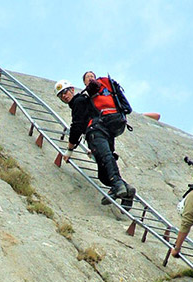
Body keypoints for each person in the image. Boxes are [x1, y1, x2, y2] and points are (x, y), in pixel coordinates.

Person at [55, 75, 136, 206]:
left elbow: (77, 126)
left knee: (105, 158)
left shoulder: (78, 101)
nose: (64, 96)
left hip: (96, 131)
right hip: (105, 131)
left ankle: (117, 185)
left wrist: (69, 149)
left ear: (72, 89)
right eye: (60, 95)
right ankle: (127, 189)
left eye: (65, 91)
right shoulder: (86, 100)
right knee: (103, 173)